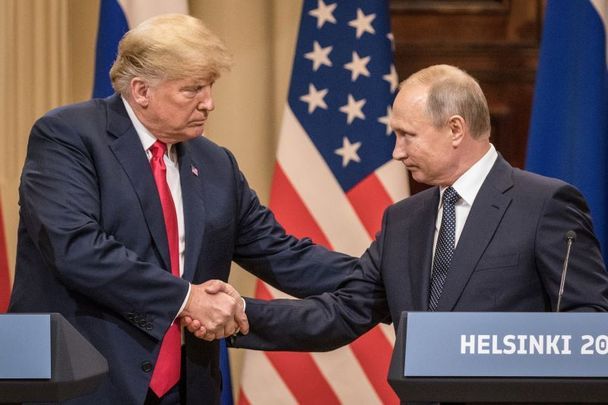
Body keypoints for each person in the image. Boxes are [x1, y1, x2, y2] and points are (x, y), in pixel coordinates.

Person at [8, 14, 356, 405]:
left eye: (209, 87)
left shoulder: (215, 163)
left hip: (186, 386)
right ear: (141, 91)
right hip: (81, 380)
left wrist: (378, 276)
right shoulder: (68, 136)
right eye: (192, 89)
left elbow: (279, 251)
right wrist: (187, 298)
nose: (209, 103)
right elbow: (76, 248)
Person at [223, 64, 608, 354]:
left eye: (407, 135)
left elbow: (587, 325)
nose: (396, 152)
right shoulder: (403, 219)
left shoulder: (545, 205)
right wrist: (234, 314)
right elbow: (342, 313)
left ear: (456, 129)